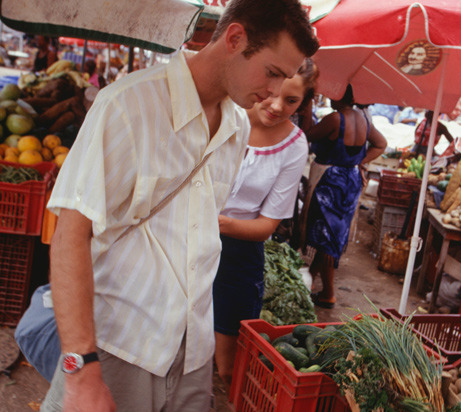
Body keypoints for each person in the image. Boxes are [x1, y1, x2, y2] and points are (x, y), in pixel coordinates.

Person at [41, 0, 319, 410]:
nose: (276, 93)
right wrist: (81, 367)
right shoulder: (127, 105)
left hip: (192, 350)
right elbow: (70, 235)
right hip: (120, 346)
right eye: (273, 72)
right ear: (235, 38)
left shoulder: (237, 124)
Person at [213, 58, 318, 385]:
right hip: (185, 239)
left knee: (227, 366)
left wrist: (214, 223)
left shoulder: (295, 145)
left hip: (239, 252)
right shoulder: (223, 115)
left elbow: (266, 227)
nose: (276, 106)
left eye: (291, 101)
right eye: (273, 93)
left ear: (303, 102)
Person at [301, 85, 387, 309]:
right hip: (350, 180)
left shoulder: (335, 119)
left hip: (331, 181)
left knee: (327, 236)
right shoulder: (364, 118)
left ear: (340, 97)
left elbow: (307, 134)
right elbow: (381, 144)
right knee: (333, 235)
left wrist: (308, 103)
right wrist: (359, 161)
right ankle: (310, 277)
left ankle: (329, 294)